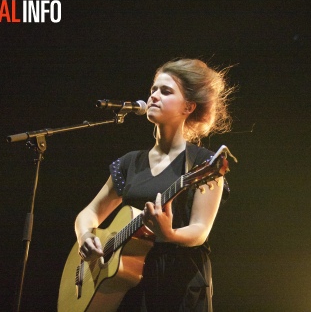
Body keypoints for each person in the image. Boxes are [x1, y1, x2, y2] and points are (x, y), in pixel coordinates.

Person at [74, 58, 233, 311]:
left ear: (189, 107)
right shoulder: (130, 163)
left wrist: (168, 234)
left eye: (166, 91)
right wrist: (85, 236)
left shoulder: (204, 163)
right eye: (153, 90)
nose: (154, 96)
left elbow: (200, 230)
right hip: (127, 284)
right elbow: (89, 213)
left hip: (179, 281)